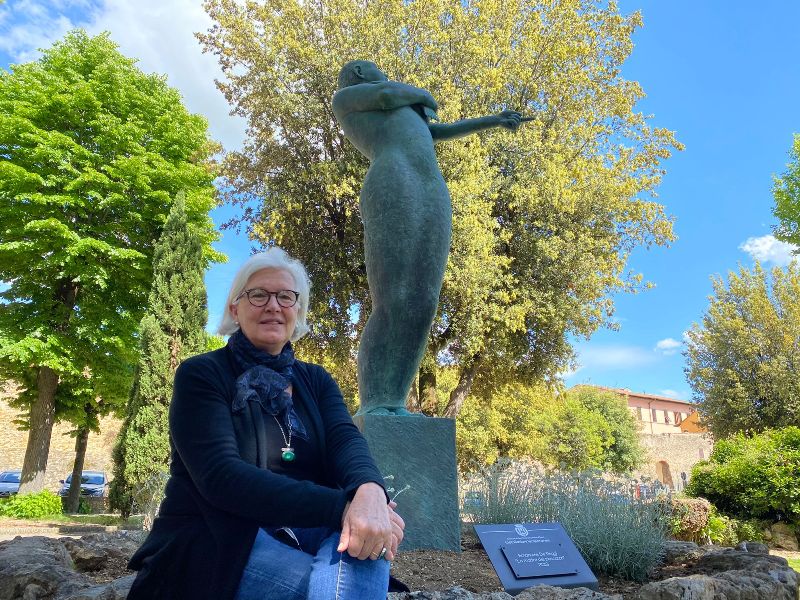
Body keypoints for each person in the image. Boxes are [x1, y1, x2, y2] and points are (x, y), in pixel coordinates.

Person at [127, 247, 405, 600]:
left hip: (309, 526)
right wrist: (343, 507)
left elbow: (345, 440)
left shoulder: (316, 380)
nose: (273, 305)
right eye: (258, 295)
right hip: (220, 534)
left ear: (297, 310)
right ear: (235, 309)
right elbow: (222, 477)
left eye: (286, 297)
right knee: (343, 580)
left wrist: (370, 493)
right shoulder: (201, 374)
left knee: (371, 542)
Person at [332, 60, 524, 416]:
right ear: (358, 72)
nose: (383, 72)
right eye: (375, 67)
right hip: (393, 179)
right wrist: (424, 95)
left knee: (424, 302)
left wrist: (494, 120)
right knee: (393, 299)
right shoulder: (348, 98)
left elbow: (440, 131)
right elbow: (386, 93)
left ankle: (394, 400)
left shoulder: (405, 107)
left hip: (431, 186)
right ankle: (373, 403)